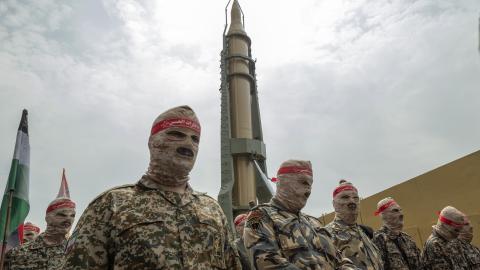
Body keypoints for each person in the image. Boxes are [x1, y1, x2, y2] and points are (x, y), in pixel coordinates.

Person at [63, 105, 240, 270]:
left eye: (195, 139)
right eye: (177, 134)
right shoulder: (111, 204)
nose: (188, 144)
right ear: (152, 143)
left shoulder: (212, 210)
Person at [244, 160, 356, 269]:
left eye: (310, 185)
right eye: (304, 182)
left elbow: (340, 260)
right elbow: (265, 261)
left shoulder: (314, 222)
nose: (309, 191)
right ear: (284, 183)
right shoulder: (258, 216)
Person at [5, 174, 76, 270]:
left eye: (72, 216)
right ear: (47, 218)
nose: (68, 220)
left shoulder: (76, 251)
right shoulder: (17, 253)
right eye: (62, 215)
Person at [325, 180, 383, 270]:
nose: (352, 201)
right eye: (345, 197)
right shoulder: (326, 235)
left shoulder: (365, 232)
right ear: (334, 204)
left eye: (356, 198)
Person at [372, 197, 421, 270]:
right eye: (395, 211)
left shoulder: (407, 238)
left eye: (400, 210)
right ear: (384, 215)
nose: (401, 214)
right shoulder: (378, 240)